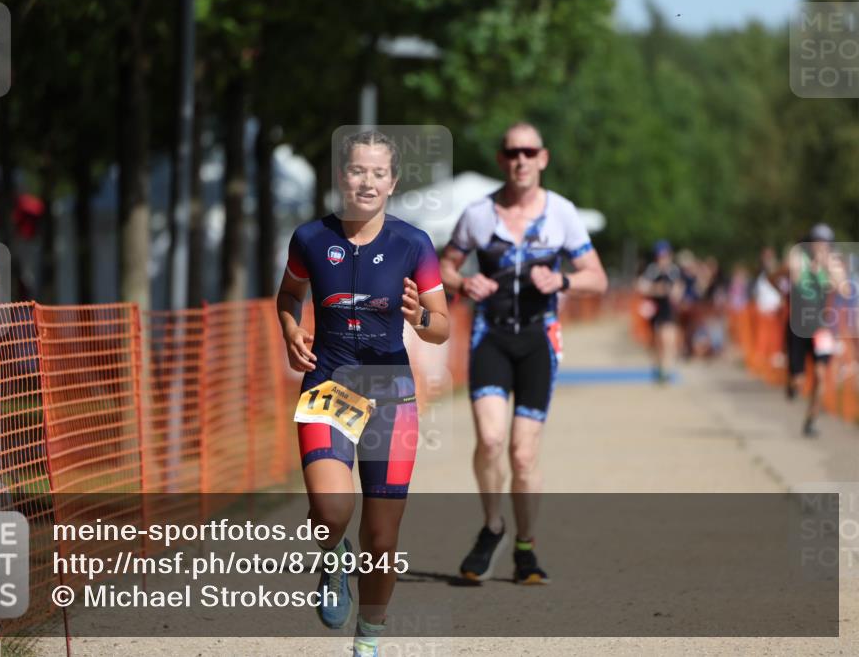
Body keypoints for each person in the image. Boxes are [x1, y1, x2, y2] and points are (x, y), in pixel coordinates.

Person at [276, 130, 449, 657]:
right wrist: (290, 329)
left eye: (378, 172)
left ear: (392, 182)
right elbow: (289, 291)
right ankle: (332, 555)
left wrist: (419, 315)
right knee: (331, 509)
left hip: (389, 393)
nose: (367, 180)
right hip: (328, 384)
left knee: (381, 539)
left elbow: (441, 325)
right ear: (340, 176)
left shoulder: (413, 244)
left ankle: (367, 641)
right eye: (357, 170)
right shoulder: (309, 238)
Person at [439, 122, 607, 585]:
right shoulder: (478, 214)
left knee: (522, 454)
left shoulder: (562, 214)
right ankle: (492, 526)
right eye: (512, 152)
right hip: (490, 335)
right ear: (502, 159)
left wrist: (565, 281)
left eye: (529, 152)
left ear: (543, 158)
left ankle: (526, 547)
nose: (521, 160)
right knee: (491, 441)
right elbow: (442, 267)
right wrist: (463, 282)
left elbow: (598, 276)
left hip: (538, 340)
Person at [785, 223, 845, 436]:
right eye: (817, 242)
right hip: (800, 325)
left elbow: (843, 288)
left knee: (820, 375)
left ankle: (810, 421)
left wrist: (828, 268)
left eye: (825, 243)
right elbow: (797, 280)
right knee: (798, 381)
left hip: (822, 327)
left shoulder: (833, 262)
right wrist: (813, 269)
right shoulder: (798, 257)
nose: (821, 246)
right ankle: (792, 383)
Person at [637, 240, 684, 381]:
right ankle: (658, 366)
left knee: (668, 339)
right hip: (654, 310)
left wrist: (674, 293)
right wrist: (659, 290)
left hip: (668, 310)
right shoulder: (652, 270)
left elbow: (678, 289)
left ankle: (667, 369)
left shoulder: (674, 271)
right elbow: (642, 286)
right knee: (656, 341)